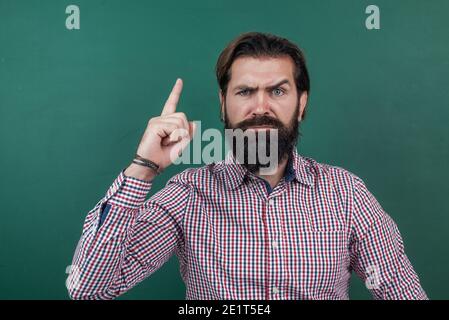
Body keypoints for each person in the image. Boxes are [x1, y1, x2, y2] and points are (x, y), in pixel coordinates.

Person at [67, 32, 427, 300]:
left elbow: (402, 291)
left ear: (302, 104)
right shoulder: (187, 194)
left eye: (278, 91)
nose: (260, 107)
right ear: (223, 104)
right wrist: (143, 168)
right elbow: (89, 288)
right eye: (245, 91)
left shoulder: (346, 194)